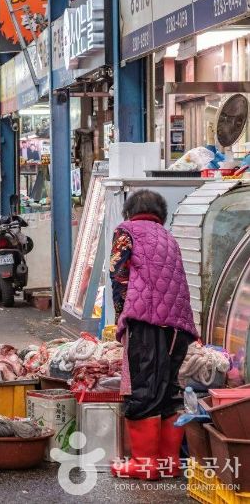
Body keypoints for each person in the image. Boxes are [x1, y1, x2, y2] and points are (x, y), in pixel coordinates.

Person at [109, 190, 197, 480]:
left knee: (143, 388)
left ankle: (143, 464)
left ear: (129, 211)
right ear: (161, 213)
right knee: (169, 391)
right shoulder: (167, 236)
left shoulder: (126, 231)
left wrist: (122, 316)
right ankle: (168, 462)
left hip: (145, 322)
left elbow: (118, 274)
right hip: (179, 325)